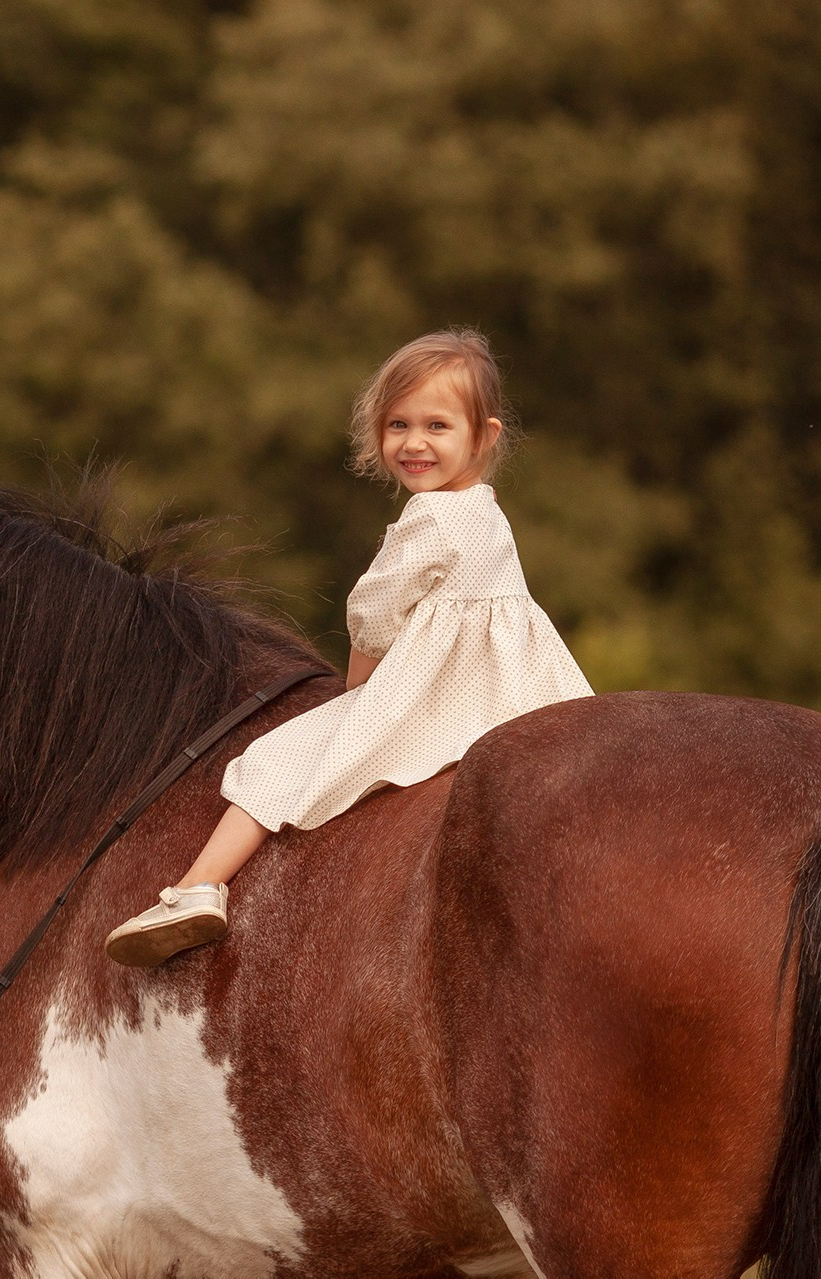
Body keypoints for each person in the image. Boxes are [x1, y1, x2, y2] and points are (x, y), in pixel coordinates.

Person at [105, 327, 594, 967]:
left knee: (275, 760)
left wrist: (354, 690)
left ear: (485, 436)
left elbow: (374, 616)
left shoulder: (430, 518)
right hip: (513, 696)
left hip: (437, 698)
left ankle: (198, 888)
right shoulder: (485, 510)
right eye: (398, 424)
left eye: (437, 426)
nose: (414, 443)